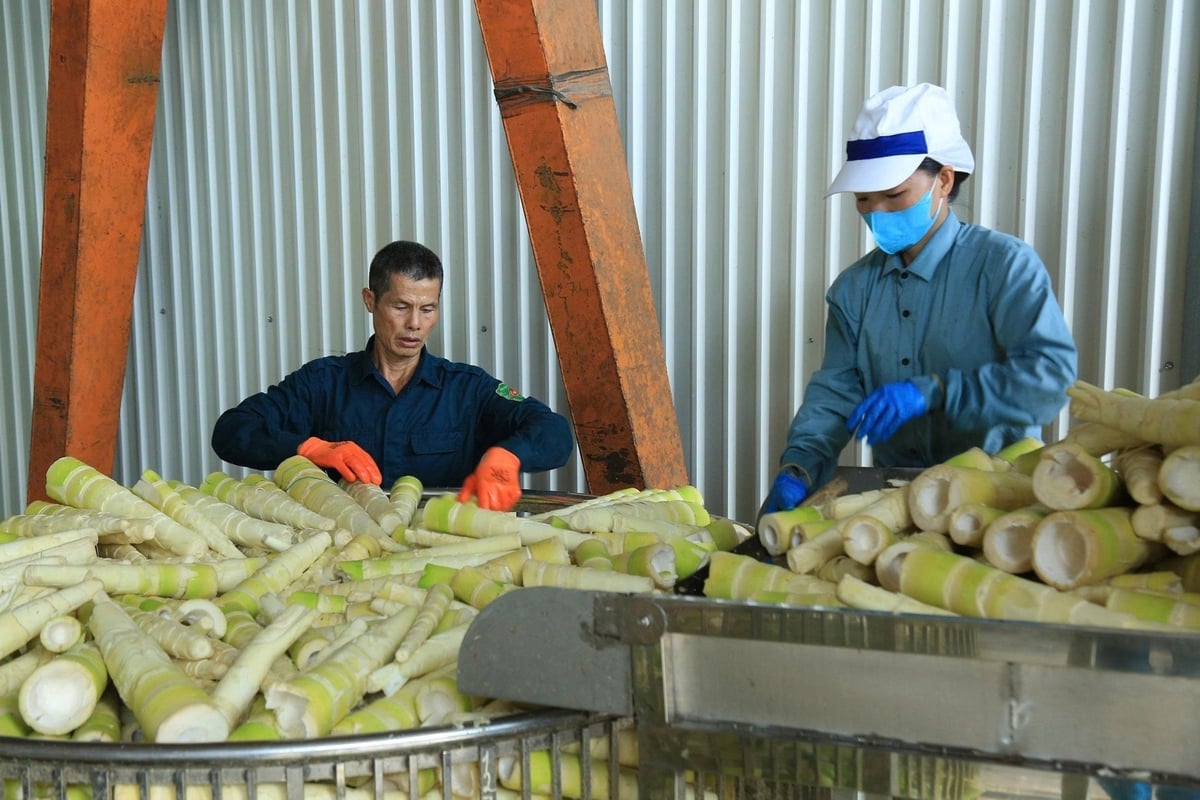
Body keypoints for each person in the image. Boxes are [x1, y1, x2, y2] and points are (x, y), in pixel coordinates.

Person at [760, 83, 1077, 515]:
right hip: (900, 503)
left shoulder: (1003, 267)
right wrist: (798, 466)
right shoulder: (854, 290)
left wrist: (938, 392)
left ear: (943, 180)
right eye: (864, 200)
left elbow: (1050, 378)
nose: (878, 213)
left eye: (894, 195)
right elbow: (834, 395)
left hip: (1005, 499)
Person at [211, 240, 574, 511]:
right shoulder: (323, 384)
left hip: (445, 553)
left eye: (427, 309)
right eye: (401, 307)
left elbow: (554, 432)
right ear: (370, 300)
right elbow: (231, 431)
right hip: (346, 553)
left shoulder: (467, 390)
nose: (415, 324)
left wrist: (508, 456)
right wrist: (312, 447)